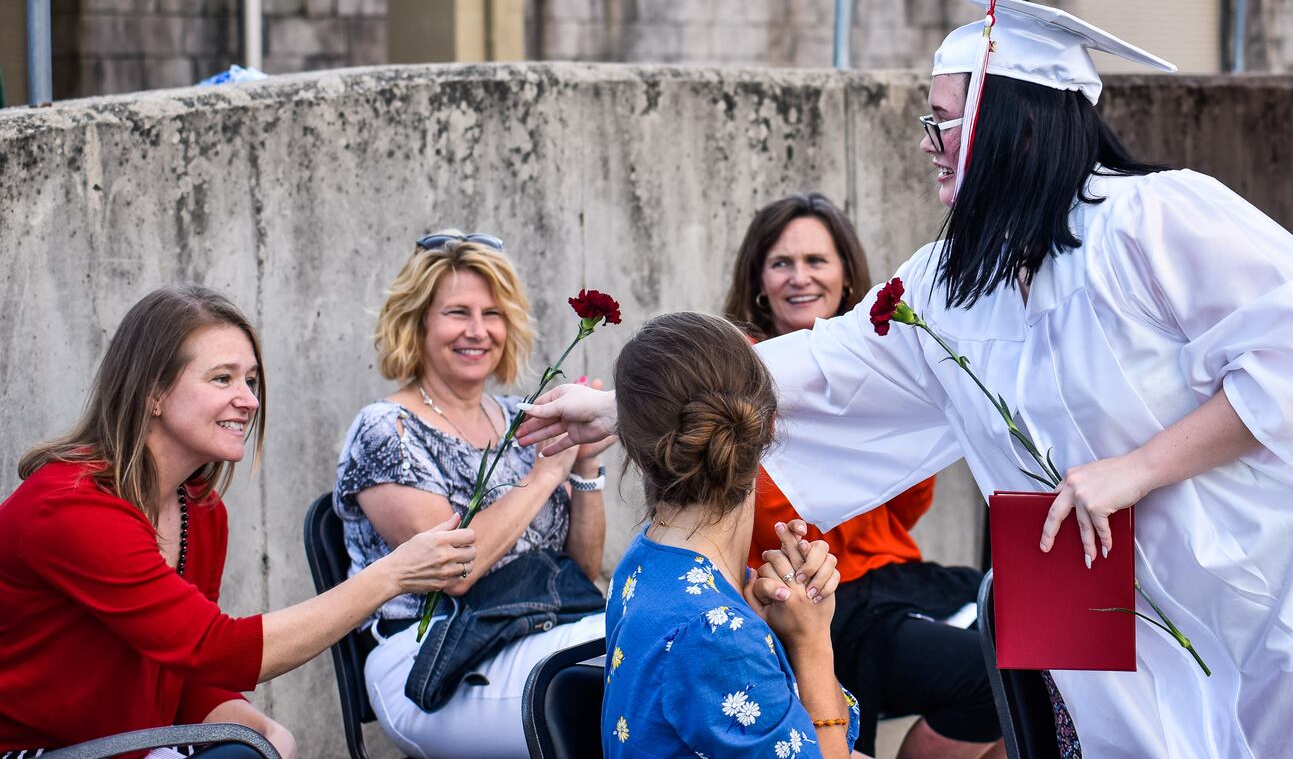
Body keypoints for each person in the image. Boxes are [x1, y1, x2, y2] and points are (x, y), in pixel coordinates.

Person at [518, 0, 1293, 757]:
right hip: (1077, 560)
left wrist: (1139, 468)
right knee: (1117, 738)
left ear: (1018, 123)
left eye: (946, 118)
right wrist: (625, 403)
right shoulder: (951, 279)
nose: (929, 142)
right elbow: (825, 366)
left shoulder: (1158, 220)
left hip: (1289, 573)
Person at [0, 284, 476, 757]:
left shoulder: (201, 510)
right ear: (153, 394)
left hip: (133, 746)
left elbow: (186, 670)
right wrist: (391, 574)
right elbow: (215, 649)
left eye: (250, 380)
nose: (248, 400)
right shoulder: (70, 506)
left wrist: (250, 723)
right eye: (222, 379)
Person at [726, 193, 1002, 758]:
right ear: (758, 281)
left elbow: (904, 505)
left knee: (1038, 667)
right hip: (815, 594)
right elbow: (775, 520)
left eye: (817, 261)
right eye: (782, 263)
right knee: (993, 677)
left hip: (897, 580)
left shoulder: (879, 361)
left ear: (848, 276)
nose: (800, 278)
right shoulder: (736, 371)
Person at [334, 231, 608, 759]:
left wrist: (585, 462)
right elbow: (452, 572)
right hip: (430, 658)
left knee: (663, 640)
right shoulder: (386, 430)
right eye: (458, 312)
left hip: (537, 627)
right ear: (416, 323)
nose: (478, 331)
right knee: (626, 670)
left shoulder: (517, 418)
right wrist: (545, 475)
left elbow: (583, 565)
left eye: (493, 313)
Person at [602, 311, 863, 759]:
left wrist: (767, 633)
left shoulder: (647, 559)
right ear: (769, 428)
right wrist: (813, 644)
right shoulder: (715, 631)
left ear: (633, 447)